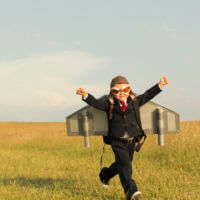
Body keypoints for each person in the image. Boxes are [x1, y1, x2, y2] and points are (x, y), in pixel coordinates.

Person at [76, 75, 168, 200]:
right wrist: (85, 95)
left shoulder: (134, 101)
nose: (121, 94)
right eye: (116, 91)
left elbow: (148, 95)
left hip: (131, 141)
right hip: (117, 140)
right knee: (126, 166)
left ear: (129, 89)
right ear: (112, 92)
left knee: (122, 164)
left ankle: (105, 175)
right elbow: (96, 103)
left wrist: (160, 85)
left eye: (125, 90)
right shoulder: (110, 104)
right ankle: (131, 191)